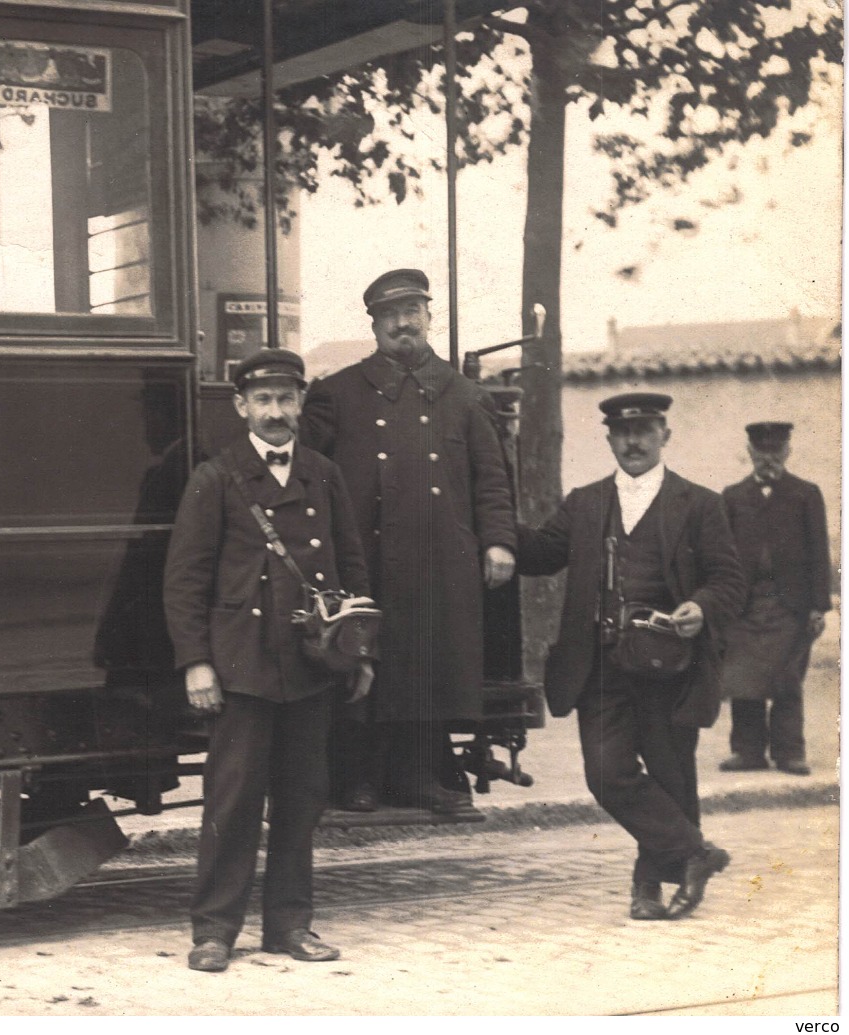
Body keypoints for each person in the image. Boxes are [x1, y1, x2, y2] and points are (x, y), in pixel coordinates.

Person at [164, 347, 374, 973]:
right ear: (241, 407)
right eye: (263, 401)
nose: (276, 412)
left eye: (286, 399)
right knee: (232, 803)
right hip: (242, 667)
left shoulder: (322, 473)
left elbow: (352, 566)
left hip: (310, 666)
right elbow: (184, 582)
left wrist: (361, 650)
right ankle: (214, 931)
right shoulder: (217, 477)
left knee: (302, 799)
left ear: (301, 404)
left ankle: (290, 925)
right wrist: (196, 664)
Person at [516, 392, 747, 920]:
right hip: (598, 668)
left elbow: (730, 580)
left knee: (669, 774)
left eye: (645, 430)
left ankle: (649, 888)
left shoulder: (700, 504)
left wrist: (701, 606)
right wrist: (494, 531)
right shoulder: (585, 502)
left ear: (665, 434)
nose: (634, 441)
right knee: (606, 773)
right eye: (623, 432)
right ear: (609, 439)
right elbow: (540, 554)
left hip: (670, 666)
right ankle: (695, 854)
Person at [301, 269, 516, 813]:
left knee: (429, 664)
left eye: (412, 312)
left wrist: (498, 543)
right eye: (390, 315)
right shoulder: (338, 394)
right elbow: (312, 477)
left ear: (428, 316)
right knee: (362, 656)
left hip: (442, 557)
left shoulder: (465, 396)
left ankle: (420, 776)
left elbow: (492, 478)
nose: (403, 323)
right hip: (365, 556)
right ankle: (357, 778)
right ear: (374, 325)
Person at [718, 421, 833, 776]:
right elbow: (721, 552)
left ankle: (789, 753)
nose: (768, 459)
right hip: (746, 604)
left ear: (787, 452)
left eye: (775, 451)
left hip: (791, 605)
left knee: (787, 678)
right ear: (750, 453)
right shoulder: (733, 496)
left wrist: (818, 605)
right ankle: (748, 751)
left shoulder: (805, 494)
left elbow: (819, 551)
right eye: (761, 451)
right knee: (743, 678)